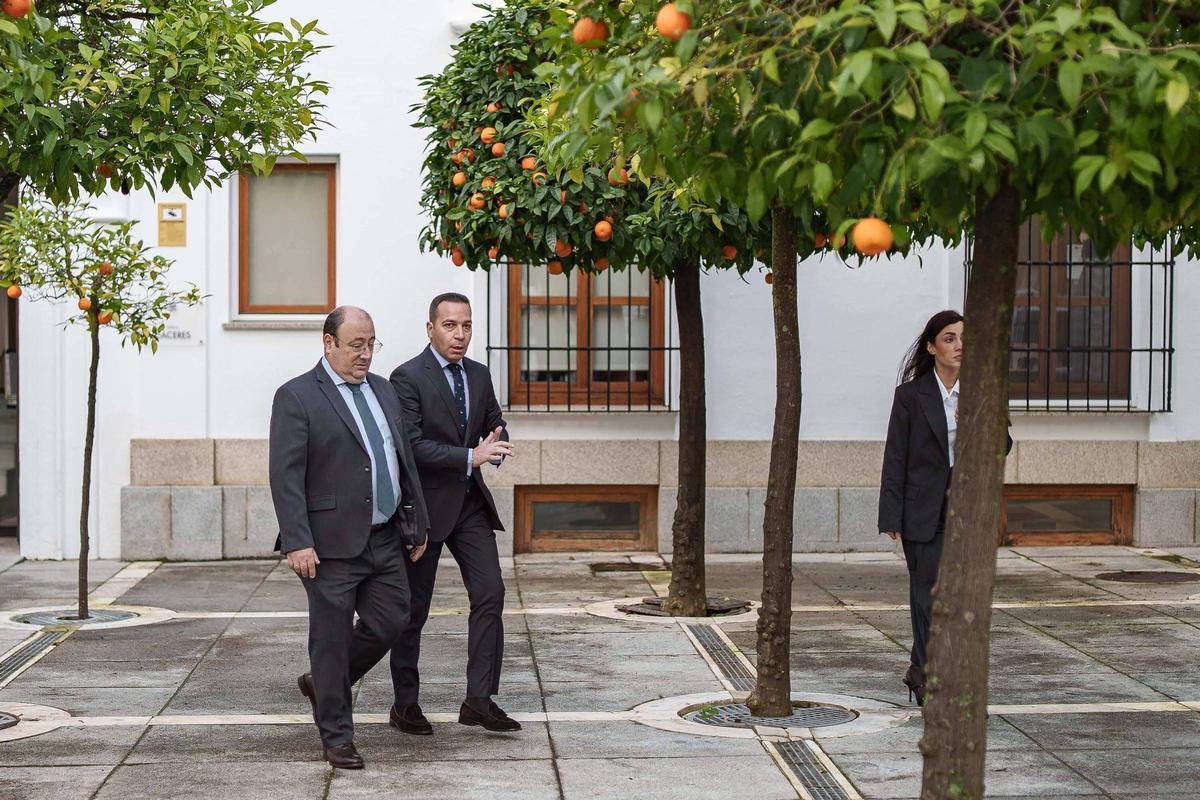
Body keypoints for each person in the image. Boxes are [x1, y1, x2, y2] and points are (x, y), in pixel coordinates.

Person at [269, 306, 431, 769]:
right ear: (328, 343)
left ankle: (324, 684)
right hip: (326, 544)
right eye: (356, 345)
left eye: (371, 344)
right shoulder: (297, 396)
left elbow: (402, 461)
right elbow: (285, 475)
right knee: (332, 639)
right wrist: (298, 540)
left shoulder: (384, 391)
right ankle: (337, 735)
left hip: (383, 537)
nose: (365, 354)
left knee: (394, 619)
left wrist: (415, 522)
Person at [387, 292, 519, 734]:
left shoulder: (479, 375)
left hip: (469, 506)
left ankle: (478, 700)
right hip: (423, 510)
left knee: (491, 593)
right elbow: (412, 445)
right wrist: (471, 457)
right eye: (449, 326)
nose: (459, 335)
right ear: (430, 329)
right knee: (413, 610)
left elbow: (493, 422)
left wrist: (496, 445)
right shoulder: (406, 378)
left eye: (465, 326)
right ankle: (405, 704)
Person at [877, 310, 1011, 706]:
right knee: (927, 597)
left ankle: (923, 669)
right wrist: (891, 514)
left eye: (964, 339)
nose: (959, 346)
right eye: (950, 338)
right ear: (933, 347)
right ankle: (934, 681)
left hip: (966, 509)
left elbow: (1001, 446)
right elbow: (895, 456)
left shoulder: (981, 390)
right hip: (923, 512)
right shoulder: (911, 396)